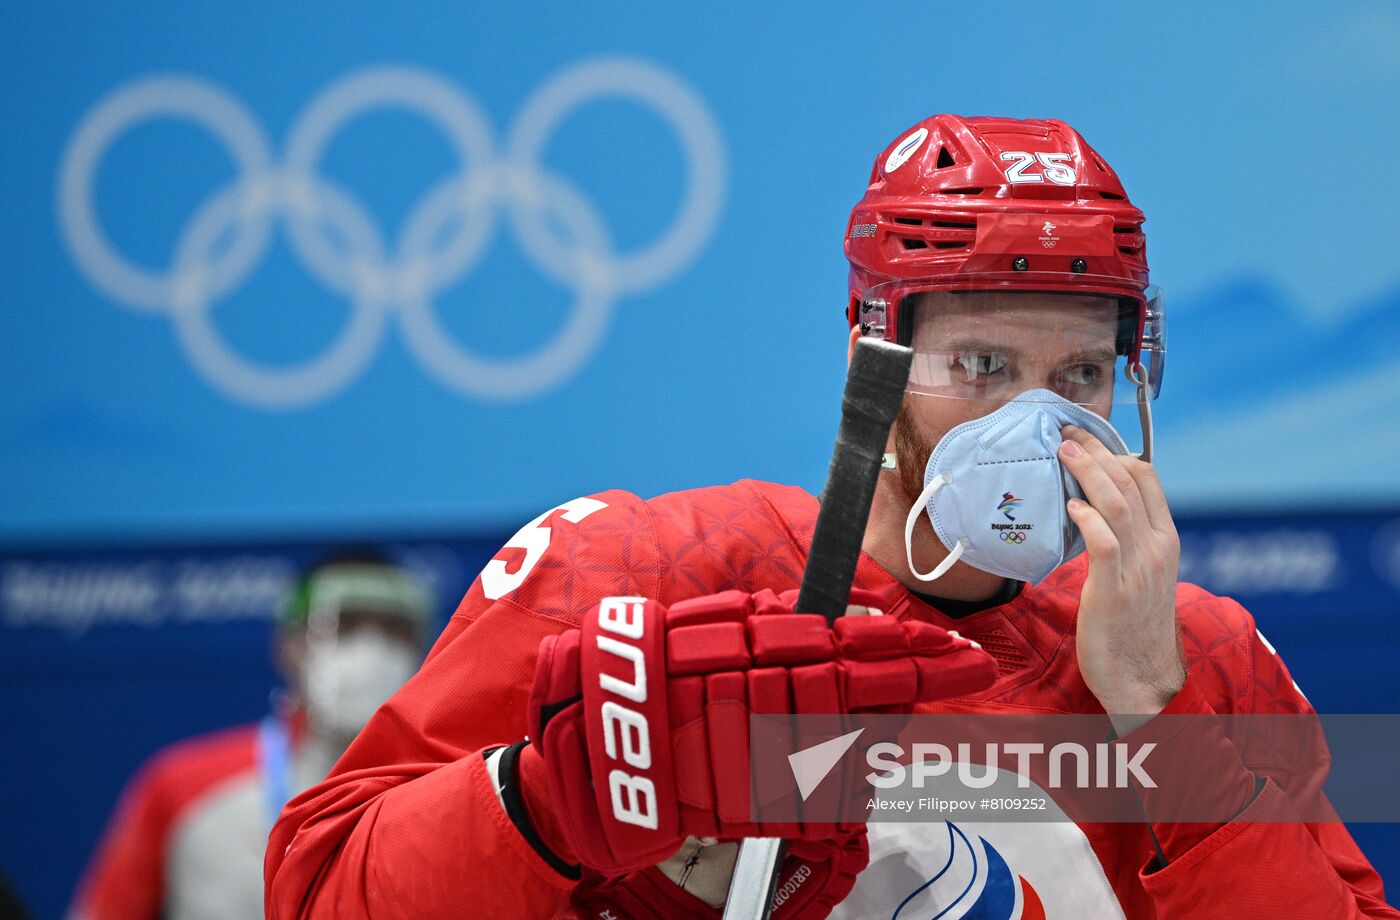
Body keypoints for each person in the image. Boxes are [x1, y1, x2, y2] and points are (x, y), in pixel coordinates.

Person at [263, 115, 1398, 918]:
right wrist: (546, 803)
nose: (1035, 421)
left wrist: (1162, 719)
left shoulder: (1203, 656)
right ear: (871, 356)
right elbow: (318, 891)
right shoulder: (640, 574)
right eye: (982, 363)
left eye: (1081, 374)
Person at [70, 552, 433, 920]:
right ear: (288, 646)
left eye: (394, 629)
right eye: (342, 625)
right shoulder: (182, 788)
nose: (369, 652)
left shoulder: (449, 787)